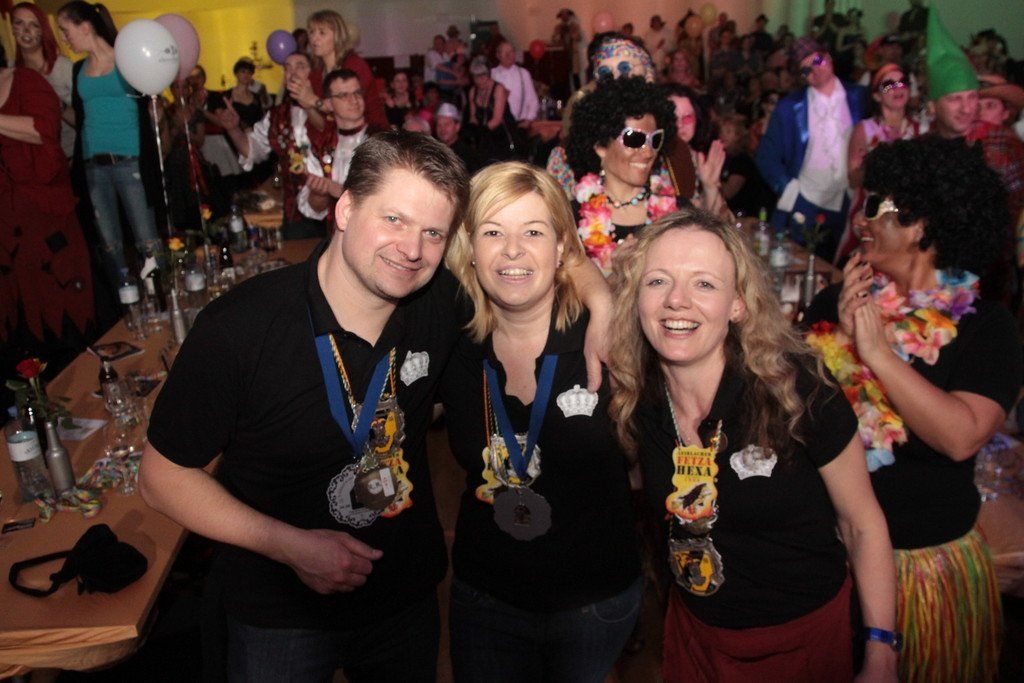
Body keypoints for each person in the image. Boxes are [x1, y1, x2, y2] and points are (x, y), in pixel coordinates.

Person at [139, 131, 612, 682]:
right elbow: (161, 478)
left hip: (403, 602)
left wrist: (601, 301)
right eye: (394, 219)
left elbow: (543, 257)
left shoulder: (440, 303)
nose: (412, 249)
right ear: (344, 209)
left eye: (433, 233)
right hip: (281, 612)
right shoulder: (241, 328)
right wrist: (289, 546)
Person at [608, 208, 898, 682]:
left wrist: (881, 651)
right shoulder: (636, 396)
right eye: (657, 281)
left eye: (704, 284)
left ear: (738, 304)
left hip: (802, 642)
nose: (677, 301)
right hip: (695, 636)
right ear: (635, 297)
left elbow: (862, 524)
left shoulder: (797, 390)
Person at [804, 136, 1021, 683]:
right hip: (830, 555)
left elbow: (961, 436)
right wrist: (835, 337)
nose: (863, 219)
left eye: (878, 205)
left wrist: (876, 353)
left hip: (925, 566)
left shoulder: (986, 328)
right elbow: (794, 415)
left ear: (924, 224)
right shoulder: (836, 303)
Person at [441, 161, 641, 681]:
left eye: (533, 232)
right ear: (469, 247)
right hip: (486, 599)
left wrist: (603, 298)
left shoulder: (609, 339)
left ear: (562, 249)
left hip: (593, 603)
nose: (512, 250)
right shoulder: (449, 338)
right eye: (493, 232)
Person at [0, 39, 94, 369]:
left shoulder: (26, 81)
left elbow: (44, 129)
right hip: (6, 223)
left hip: (43, 213)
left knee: (60, 304)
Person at [57, 0, 163, 284]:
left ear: (85, 27)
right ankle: (125, 300)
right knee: (109, 245)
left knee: (146, 240)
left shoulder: (126, 60)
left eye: (66, 30)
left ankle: (159, 295)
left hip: (130, 162)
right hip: (94, 166)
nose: (64, 38)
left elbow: (150, 104)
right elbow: (82, 119)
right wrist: (57, 109)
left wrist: (157, 113)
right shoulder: (78, 69)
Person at [755, 38, 866, 260]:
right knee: (799, 265)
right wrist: (790, 190)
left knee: (842, 267)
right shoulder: (789, 107)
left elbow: (882, 120)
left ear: (829, 57)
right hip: (806, 201)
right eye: (805, 69)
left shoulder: (860, 97)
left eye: (817, 61)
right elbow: (766, 155)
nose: (814, 70)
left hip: (849, 200)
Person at [565, 76, 680, 273]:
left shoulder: (677, 214)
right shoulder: (570, 220)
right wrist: (613, 273)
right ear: (601, 146)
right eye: (634, 139)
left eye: (655, 140)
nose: (648, 152)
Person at [217, 51, 336, 239]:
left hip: (337, 211)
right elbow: (251, 150)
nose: (292, 72)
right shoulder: (277, 115)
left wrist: (310, 103)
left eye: (300, 66)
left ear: (314, 73)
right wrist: (233, 129)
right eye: (287, 67)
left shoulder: (332, 107)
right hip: (297, 215)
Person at [836, 63, 919, 264]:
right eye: (889, 85)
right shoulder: (865, 129)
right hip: (870, 212)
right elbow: (853, 178)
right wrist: (881, 164)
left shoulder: (920, 129)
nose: (898, 88)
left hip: (907, 214)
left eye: (902, 82)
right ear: (876, 95)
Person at [303, 9, 387, 131]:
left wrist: (314, 101)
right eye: (311, 32)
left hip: (370, 133)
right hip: (337, 137)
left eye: (322, 33)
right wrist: (306, 103)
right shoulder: (316, 73)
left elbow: (352, 108)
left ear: (337, 36)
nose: (314, 39)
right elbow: (323, 126)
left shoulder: (354, 64)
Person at [12, 2, 75, 158]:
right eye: (19, 23)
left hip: (70, 156)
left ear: (43, 30)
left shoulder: (62, 67)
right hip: (32, 161)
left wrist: (57, 105)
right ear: (12, 28)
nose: (26, 30)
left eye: (34, 25)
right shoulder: (10, 72)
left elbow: (88, 119)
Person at [661, 84, 729, 221]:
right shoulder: (647, 160)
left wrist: (710, 187)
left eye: (687, 118)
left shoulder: (700, 160)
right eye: (672, 118)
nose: (680, 125)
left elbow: (719, 222)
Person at [717, 114, 774, 217]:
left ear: (738, 135)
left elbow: (728, 192)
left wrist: (710, 181)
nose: (723, 136)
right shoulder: (724, 157)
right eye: (721, 132)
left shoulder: (741, 160)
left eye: (728, 132)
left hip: (745, 215)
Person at [468, 56, 519, 164]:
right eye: (476, 77)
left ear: (488, 74)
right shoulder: (473, 91)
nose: (479, 80)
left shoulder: (498, 89)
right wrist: (472, 130)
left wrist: (482, 132)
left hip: (501, 136)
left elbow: (497, 120)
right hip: (483, 138)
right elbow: (473, 116)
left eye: (483, 76)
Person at [491, 40, 539, 127]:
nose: (509, 55)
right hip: (499, 126)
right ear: (498, 55)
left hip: (520, 124)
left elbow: (532, 100)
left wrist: (528, 120)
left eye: (511, 52)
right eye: (505, 52)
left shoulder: (523, 73)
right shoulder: (492, 74)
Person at [434, 102, 483, 175]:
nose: (442, 129)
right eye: (439, 125)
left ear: (457, 127)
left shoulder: (466, 154)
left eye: (446, 124)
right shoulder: (435, 150)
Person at [226, 58, 264, 130]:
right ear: (236, 74)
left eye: (249, 72)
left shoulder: (256, 97)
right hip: (233, 133)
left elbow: (260, 119)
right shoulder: (227, 95)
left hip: (253, 134)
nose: (246, 75)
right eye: (243, 71)